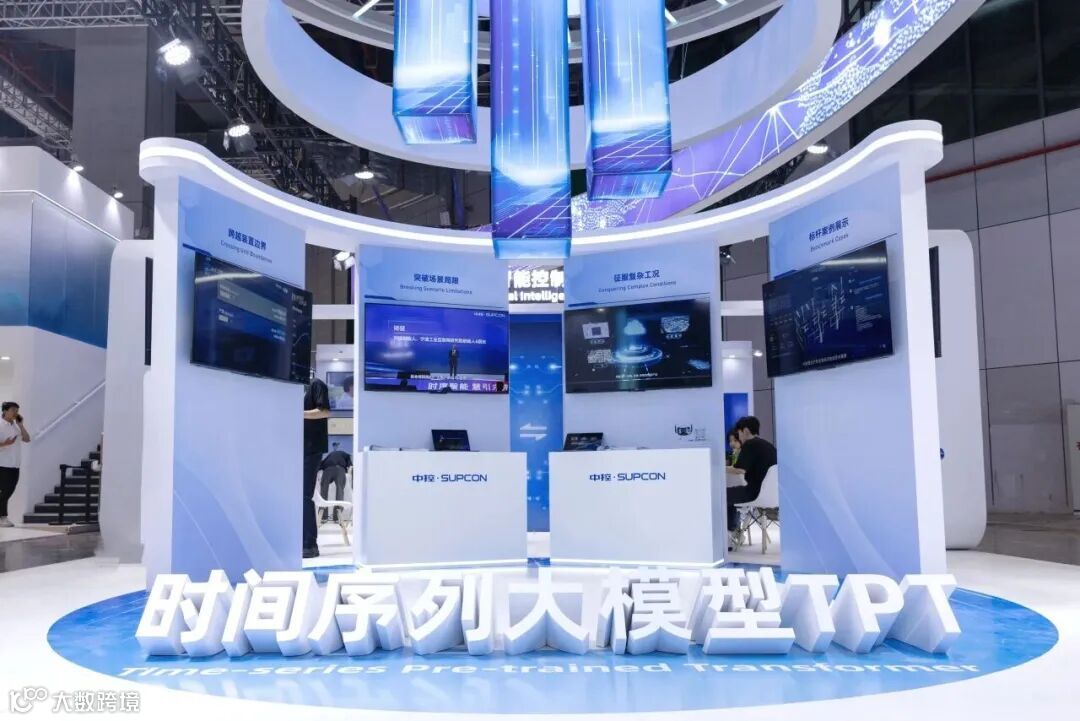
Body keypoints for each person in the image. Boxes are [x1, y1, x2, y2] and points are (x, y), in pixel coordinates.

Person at [725, 415, 776, 537]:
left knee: (722, 494)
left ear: (745, 431)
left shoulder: (750, 445)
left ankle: (731, 533)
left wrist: (720, 468)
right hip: (773, 494)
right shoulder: (769, 446)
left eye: (739, 433)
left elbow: (739, 469)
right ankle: (735, 531)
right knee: (732, 493)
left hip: (753, 492)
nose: (739, 437)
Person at [303, 378, 331, 558]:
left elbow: (324, 411)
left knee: (304, 495)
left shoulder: (316, 385)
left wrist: (297, 413)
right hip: (296, 448)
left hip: (311, 448)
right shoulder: (291, 388)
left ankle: (309, 544)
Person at [0, 402, 32, 529]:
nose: (16, 413)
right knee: (6, 491)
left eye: (17, 410)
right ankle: (3, 517)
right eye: (13, 410)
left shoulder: (16, 426)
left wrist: (21, 425)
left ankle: (2, 517)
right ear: (5, 411)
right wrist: (5, 444)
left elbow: (27, 439)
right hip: (2, 464)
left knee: (9, 490)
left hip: (15, 464)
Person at [318, 442, 352, 523]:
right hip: (340, 469)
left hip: (328, 469)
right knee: (340, 490)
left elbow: (320, 465)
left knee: (324, 490)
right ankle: (337, 517)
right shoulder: (346, 454)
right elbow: (350, 466)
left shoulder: (329, 455)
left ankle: (323, 516)